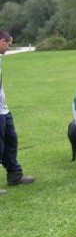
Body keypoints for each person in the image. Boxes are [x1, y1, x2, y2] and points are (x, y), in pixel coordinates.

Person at [0, 30, 35, 194]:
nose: (9, 47)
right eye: (8, 44)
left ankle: (14, 174)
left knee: (11, 141)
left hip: (4, 111)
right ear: (2, 41)